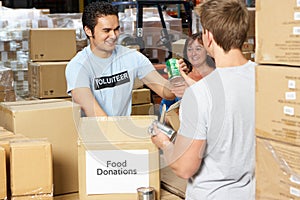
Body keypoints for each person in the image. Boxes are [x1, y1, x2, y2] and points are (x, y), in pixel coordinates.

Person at [151, 0, 257, 199]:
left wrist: (164, 142)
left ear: (208, 36)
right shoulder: (264, 79)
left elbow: (184, 168)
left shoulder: (200, 94)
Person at [65, 1, 182, 117]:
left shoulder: (132, 58)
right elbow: (97, 116)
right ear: (88, 31)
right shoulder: (78, 66)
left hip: (119, 131)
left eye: (116, 29)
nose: (113, 36)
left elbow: (166, 93)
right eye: (106, 30)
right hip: (94, 133)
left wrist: (177, 78)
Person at [159, 32, 215, 113]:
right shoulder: (182, 76)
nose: (193, 53)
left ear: (207, 51)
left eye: (198, 49)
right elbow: (164, 107)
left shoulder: (216, 75)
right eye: (189, 49)